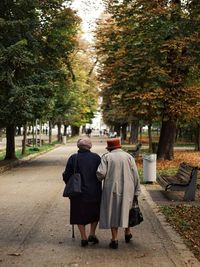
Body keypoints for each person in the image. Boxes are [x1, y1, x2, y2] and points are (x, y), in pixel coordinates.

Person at [96, 138, 141, 249]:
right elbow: (135, 174)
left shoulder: (106, 157)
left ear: (110, 148)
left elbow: (101, 174)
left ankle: (114, 239)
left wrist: (98, 178)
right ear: (119, 146)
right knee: (127, 209)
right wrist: (137, 189)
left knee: (113, 211)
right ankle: (127, 232)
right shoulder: (129, 157)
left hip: (112, 188)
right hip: (128, 187)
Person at [63, 138, 102, 247]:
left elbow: (67, 175)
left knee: (78, 213)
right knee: (95, 212)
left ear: (78, 147)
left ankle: (83, 237)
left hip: (78, 191)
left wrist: (68, 183)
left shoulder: (73, 158)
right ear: (90, 147)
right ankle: (92, 233)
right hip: (94, 191)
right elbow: (101, 173)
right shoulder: (96, 157)